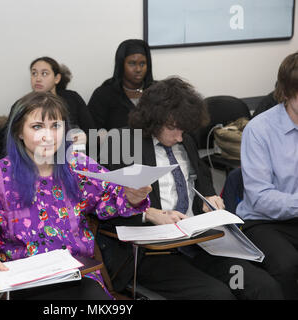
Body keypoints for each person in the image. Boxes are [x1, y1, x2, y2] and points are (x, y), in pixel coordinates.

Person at [97, 77, 283, 300]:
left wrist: (210, 198)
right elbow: (102, 205)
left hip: (199, 245)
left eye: (184, 130)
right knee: (217, 295)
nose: (179, 136)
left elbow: (202, 183)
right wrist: (149, 213)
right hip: (154, 254)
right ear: (152, 120)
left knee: (262, 287)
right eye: (173, 128)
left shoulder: (185, 141)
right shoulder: (122, 143)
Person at [0, 91, 151, 300]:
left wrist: (133, 195)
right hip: (22, 282)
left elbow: (111, 198)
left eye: (55, 126)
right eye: (37, 127)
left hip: (77, 276)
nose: (48, 136)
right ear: (19, 131)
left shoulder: (77, 165)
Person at [236, 52, 298, 299]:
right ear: (286, 91)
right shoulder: (259, 130)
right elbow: (260, 198)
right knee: (287, 264)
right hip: (262, 221)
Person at [0, 57, 94, 158]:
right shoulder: (22, 104)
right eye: (34, 73)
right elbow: (6, 137)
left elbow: (91, 131)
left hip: (70, 157)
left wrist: (82, 138)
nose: (38, 79)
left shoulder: (72, 98)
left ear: (57, 78)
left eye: (44, 73)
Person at [88, 39, 154, 131]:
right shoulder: (103, 94)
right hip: (117, 144)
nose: (138, 69)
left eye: (142, 64)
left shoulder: (158, 91)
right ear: (121, 65)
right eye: (132, 63)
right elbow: (92, 134)